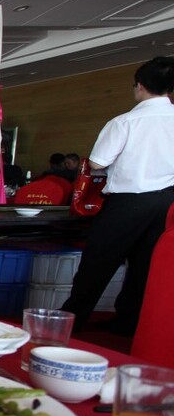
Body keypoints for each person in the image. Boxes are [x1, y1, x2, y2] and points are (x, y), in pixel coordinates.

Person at [61, 56, 174, 335]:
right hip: (167, 202)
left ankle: (72, 321)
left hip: (129, 201)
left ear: (140, 86)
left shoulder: (126, 121)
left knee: (98, 261)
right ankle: (129, 323)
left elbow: (98, 162)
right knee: (144, 266)